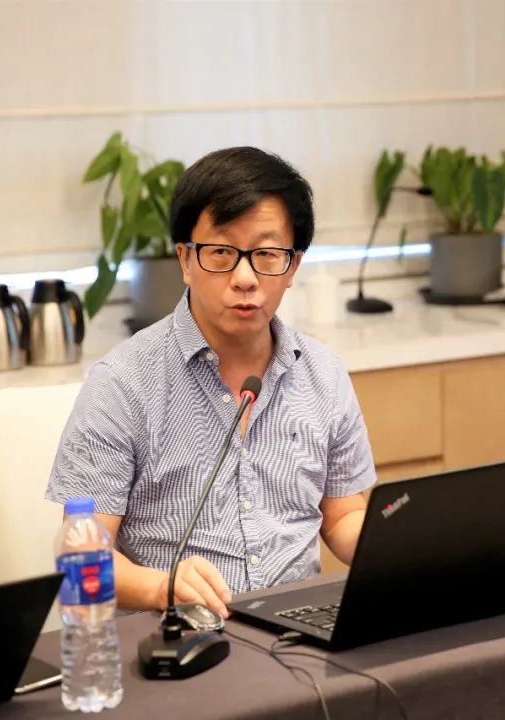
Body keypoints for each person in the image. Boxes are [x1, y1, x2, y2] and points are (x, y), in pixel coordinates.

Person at [47, 147, 376, 618]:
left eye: (267, 255)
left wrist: (407, 550)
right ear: (185, 259)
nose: (245, 278)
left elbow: (342, 515)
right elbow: (80, 561)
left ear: (293, 267)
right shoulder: (123, 384)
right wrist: (161, 588)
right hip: (177, 636)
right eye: (222, 253)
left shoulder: (322, 373)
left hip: (297, 631)